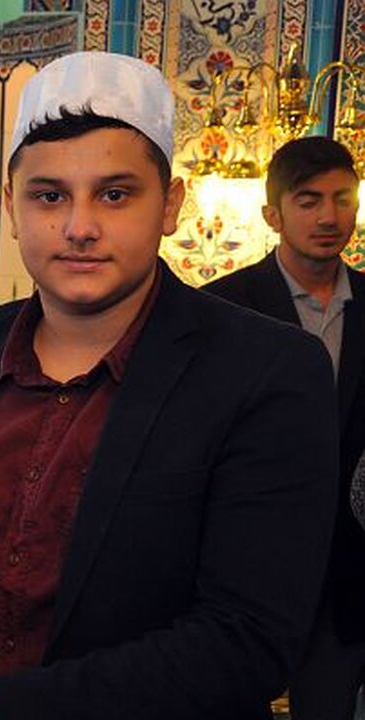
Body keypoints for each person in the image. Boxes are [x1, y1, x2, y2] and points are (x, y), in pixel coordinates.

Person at [0, 51, 338, 720]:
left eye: (115, 194)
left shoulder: (267, 371)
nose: (80, 227)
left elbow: (247, 640)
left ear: (170, 205)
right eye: (49, 196)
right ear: (11, 206)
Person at [204, 135, 365, 720]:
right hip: (241, 566)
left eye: (342, 198)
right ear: (272, 214)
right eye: (308, 200)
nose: (328, 216)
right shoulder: (221, 308)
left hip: (346, 576)